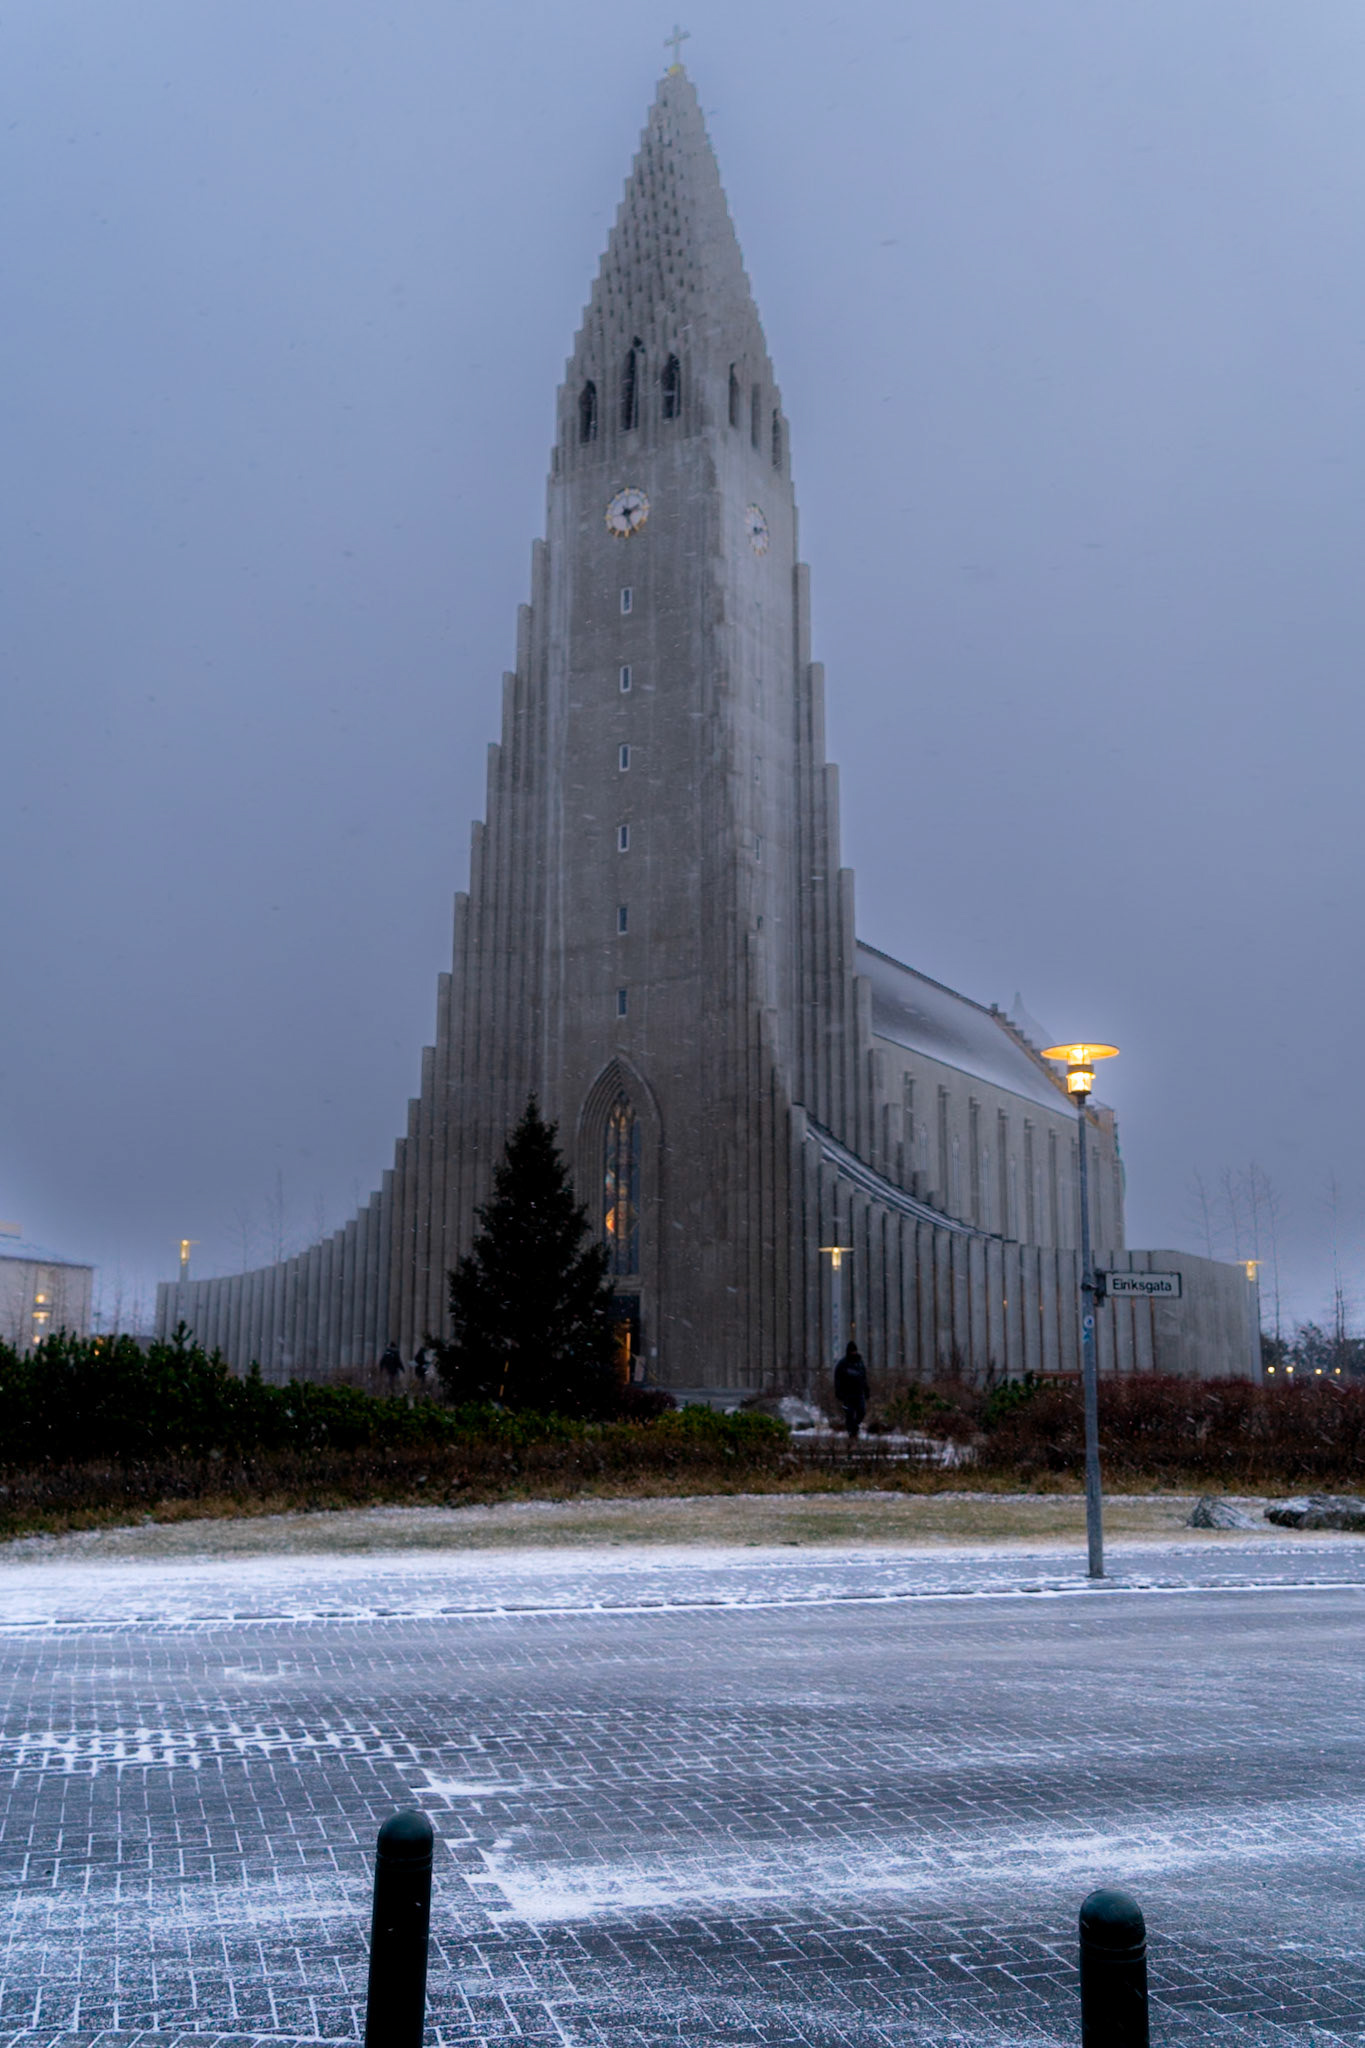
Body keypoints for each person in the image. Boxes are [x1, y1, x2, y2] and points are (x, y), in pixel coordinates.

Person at [833, 1339, 869, 1441]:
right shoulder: (843, 1364)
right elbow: (838, 1379)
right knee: (850, 1414)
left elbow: (864, 1378)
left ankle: (854, 1427)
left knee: (861, 1412)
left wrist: (866, 1390)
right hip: (847, 1394)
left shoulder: (859, 1363)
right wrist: (839, 1392)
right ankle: (851, 1432)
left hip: (859, 1393)